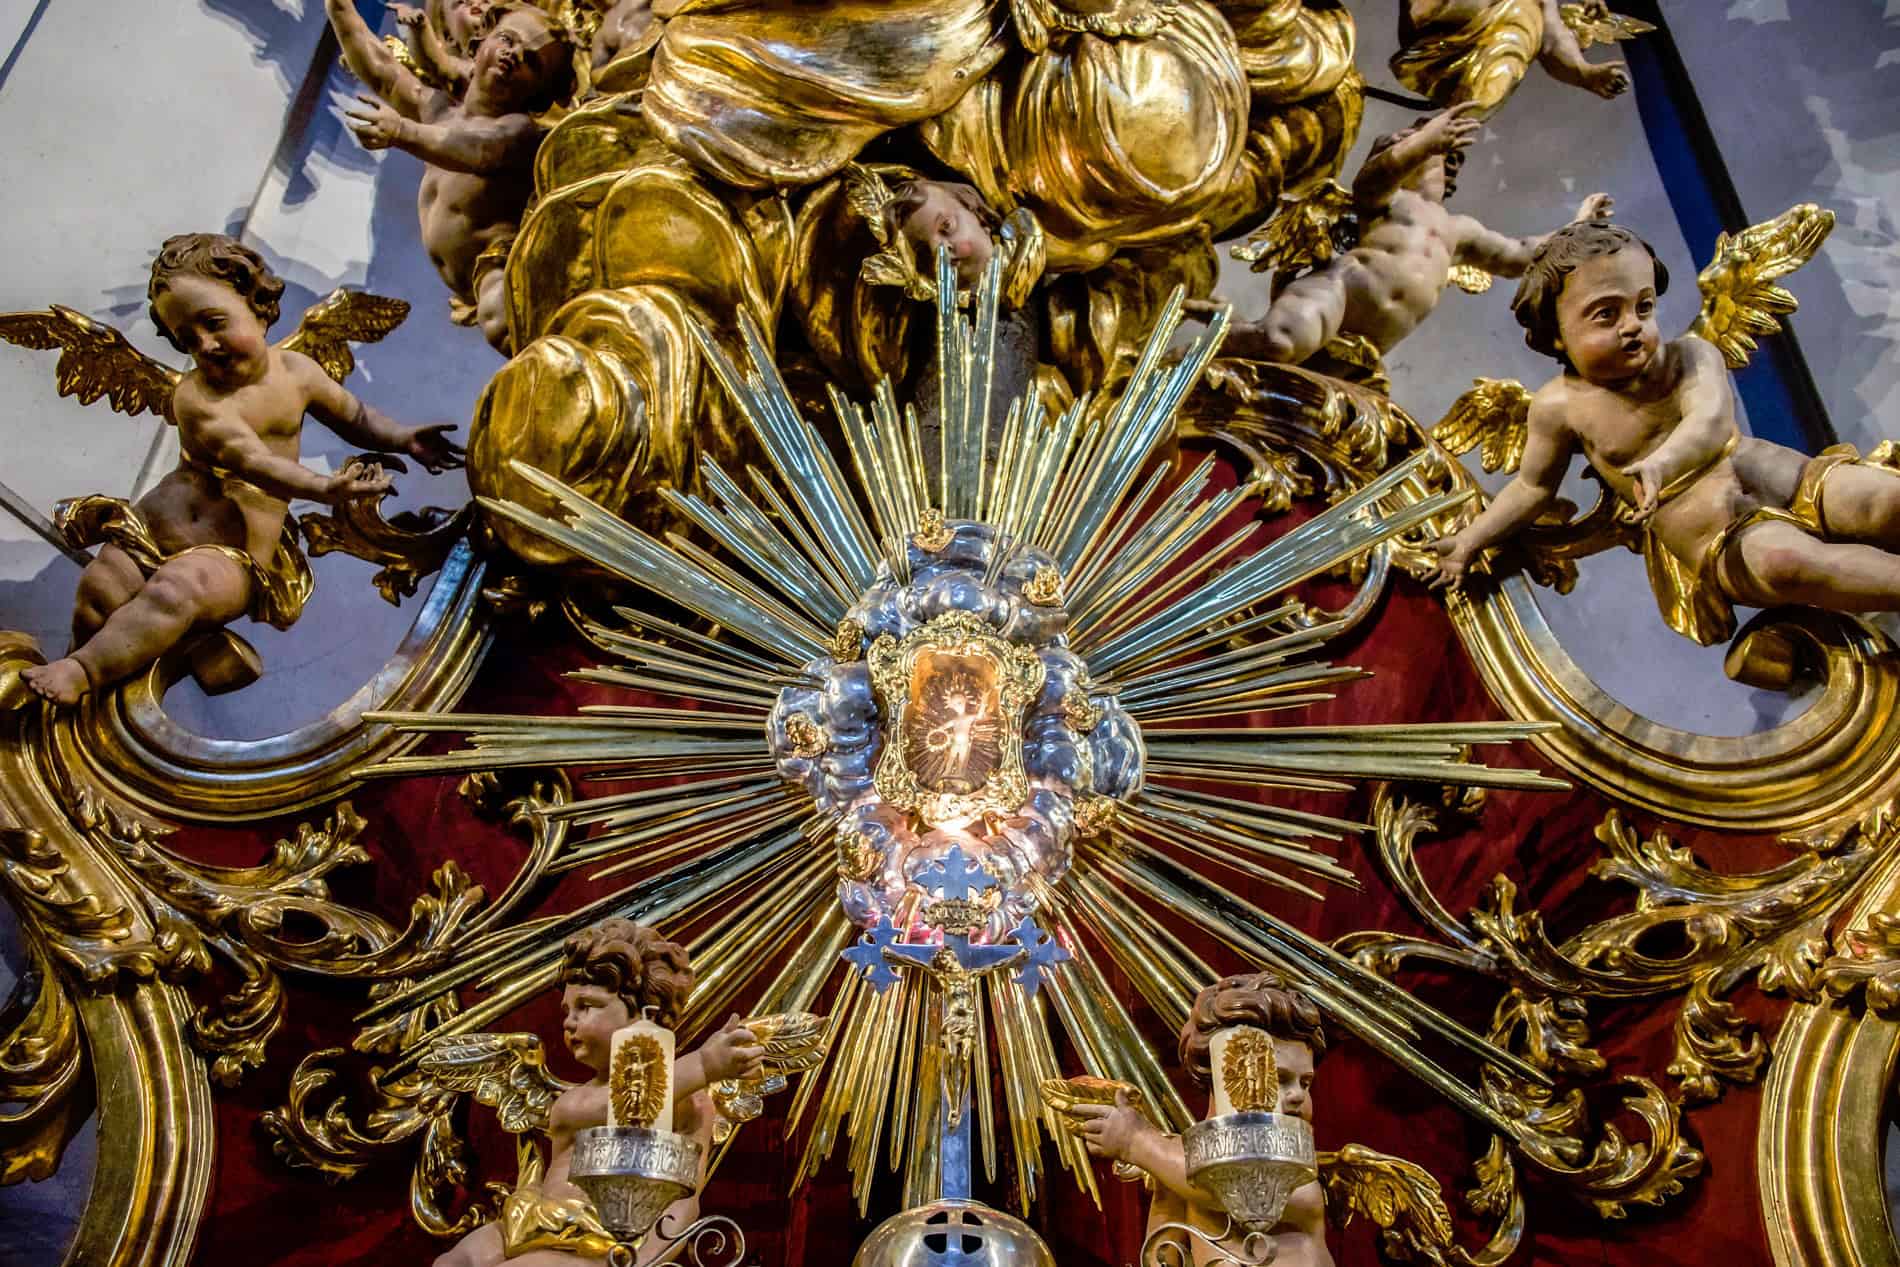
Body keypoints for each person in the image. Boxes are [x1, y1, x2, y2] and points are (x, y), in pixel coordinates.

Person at [19, 234, 461, 707]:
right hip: (150, 530)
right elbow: (252, 462)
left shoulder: (299, 373)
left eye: (213, 323)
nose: (205, 345)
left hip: (235, 556)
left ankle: (82, 670)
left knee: (176, 590)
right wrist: (324, 486)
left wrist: (405, 438)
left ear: (257, 303)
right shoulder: (194, 398)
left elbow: (356, 417)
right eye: (187, 339)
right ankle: (79, 683)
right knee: (98, 591)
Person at [1426, 220, 1900, 645]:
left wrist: (1660, 464)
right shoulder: (1558, 408)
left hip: (1794, 482)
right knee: (1785, 564)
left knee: (1882, 498)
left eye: (1644, 307)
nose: (1633, 326)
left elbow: (1711, 421)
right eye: (1606, 315)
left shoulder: (1691, 356)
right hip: (1720, 539)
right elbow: (1532, 488)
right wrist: (1469, 541)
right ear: (1555, 333)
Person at [433, 918, 765, 1267]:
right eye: (566, 1010)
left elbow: (686, 1198)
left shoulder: (692, 1103)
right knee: (456, 1261)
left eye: (586, 1006)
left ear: (643, 1015)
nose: (568, 1022)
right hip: (530, 1222)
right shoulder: (574, 1102)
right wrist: (702, 1066)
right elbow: (619, 1105)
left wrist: (647, 1260)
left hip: (598, 1246)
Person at [1193, 104, 1613, 370]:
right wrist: (1418, 143)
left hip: (1371, 345)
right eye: (1415, 149)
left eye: (1436, 153)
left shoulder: (1459, 230)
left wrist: (1579, 229)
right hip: (1337, 292)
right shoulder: (1393, 202)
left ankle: (1228, 330)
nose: (1425, 158)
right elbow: (1370, 183)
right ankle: (1188, 357)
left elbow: (1520, 255)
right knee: (1281, 342)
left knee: (1312, 380)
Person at [327, 0, 578, 351]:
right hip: (468, 279)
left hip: (497, 263)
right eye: (507, 39)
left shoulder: (519, 131)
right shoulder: (439, 109)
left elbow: (478, 149)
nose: (514, 54)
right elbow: (381, 68)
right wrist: (339, 9)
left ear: (539, 95)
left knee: (503, 321)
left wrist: (402, 132)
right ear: (477, 45)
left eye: (532, 61)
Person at [1070, 971, 1333, 1267]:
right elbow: (1164, 1247)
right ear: (1225, 1073)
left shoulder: (1297, 1176)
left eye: (1305, 1082)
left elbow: (1239, 1189)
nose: (1298, 1095)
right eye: (1280, 1079)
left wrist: (1136, 1142)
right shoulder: (1178, 1164)